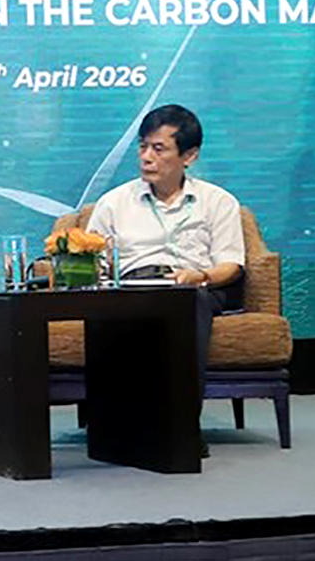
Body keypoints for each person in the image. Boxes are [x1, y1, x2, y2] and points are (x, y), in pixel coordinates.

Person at [84, 104, 245, 453]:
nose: (146, 157)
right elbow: (93, 261)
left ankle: (182, 425)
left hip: (197, 286)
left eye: (159, 149)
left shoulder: (218, 202)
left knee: (188, 302)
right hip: (134, 287)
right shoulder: (114, 203)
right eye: (143, 147)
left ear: (190, 156)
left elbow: (231, 265)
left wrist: (198, 276)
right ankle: (117, 428)